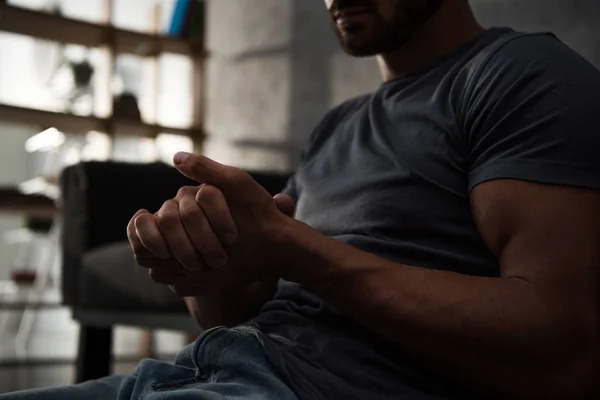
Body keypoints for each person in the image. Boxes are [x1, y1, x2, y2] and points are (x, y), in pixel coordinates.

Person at [4, 0, 600, 399]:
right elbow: (235, 313)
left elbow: (563, 348)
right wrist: (203, 266)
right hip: (195, 370)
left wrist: (295, 250)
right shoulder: (338, 126)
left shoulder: (521, 74)